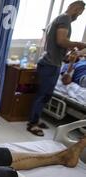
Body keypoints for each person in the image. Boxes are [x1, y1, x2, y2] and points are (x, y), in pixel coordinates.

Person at [28, 1, 86, 137]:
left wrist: (69, 54)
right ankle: (33, 123)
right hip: (50, 64)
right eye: (80, 12)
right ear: (76, 8)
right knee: (43, 95)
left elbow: (58, 45)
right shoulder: (65, 19)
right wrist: (79, 44)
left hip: (52, 63)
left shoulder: (60, 19)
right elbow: (61, 41)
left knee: (46, 95)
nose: (79, 15)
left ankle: (35, 119)